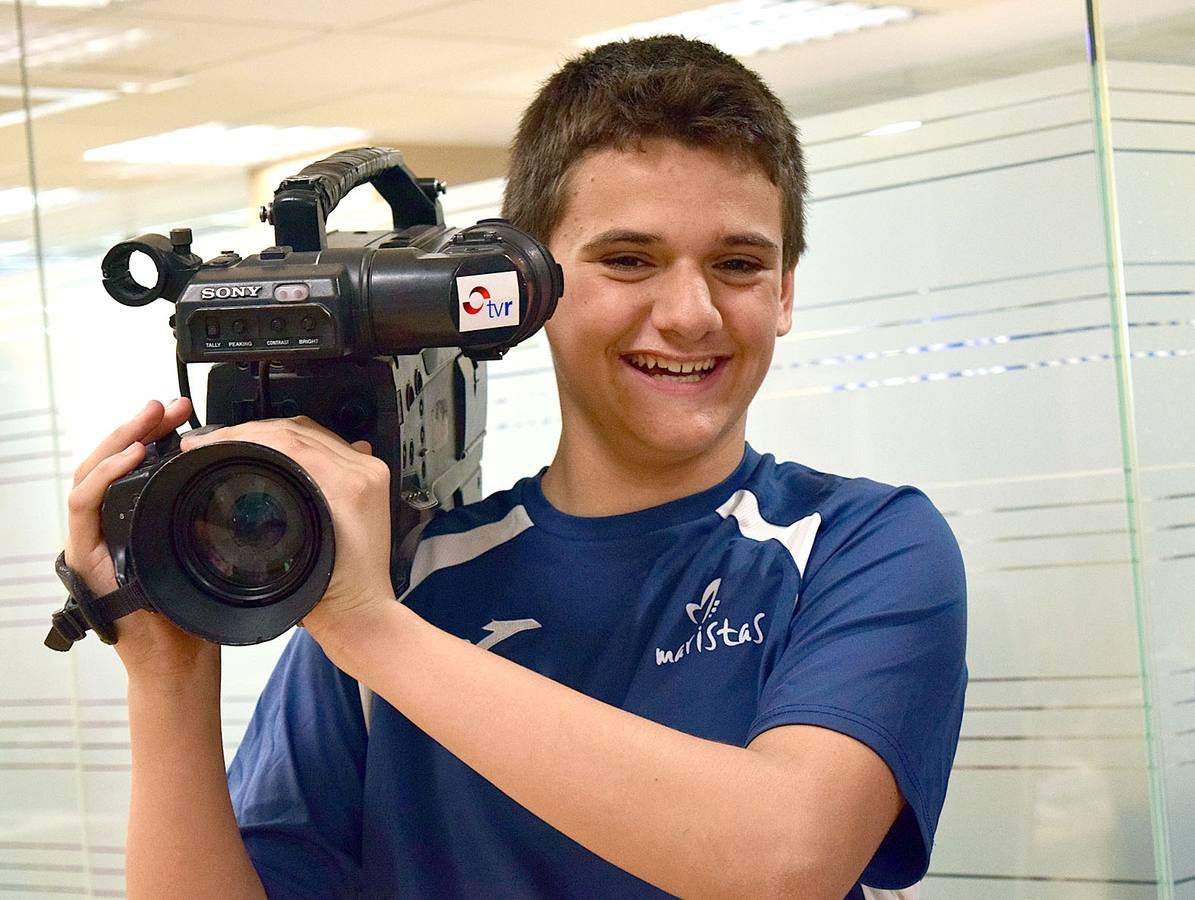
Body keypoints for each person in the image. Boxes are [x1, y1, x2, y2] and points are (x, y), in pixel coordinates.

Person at [63, 36, 966, 900]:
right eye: (628, 259)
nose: (690, 314)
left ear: (785, 293)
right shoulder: (410, 577)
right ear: (533, 288)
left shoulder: (860, 545)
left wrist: (371, 627)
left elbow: (785, 861)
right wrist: (166, 673)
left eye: (737, 263)